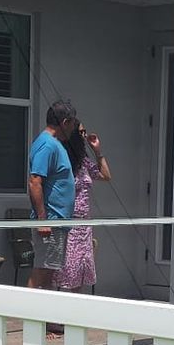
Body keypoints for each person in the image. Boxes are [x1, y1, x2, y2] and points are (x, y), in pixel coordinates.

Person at [55, 118, 111, 293]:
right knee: (64, 273)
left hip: (84, 226)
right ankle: (55, 319)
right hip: (68, 223)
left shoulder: (83, 161)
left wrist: (97, 150)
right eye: (81, 132)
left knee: (80, 272)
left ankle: (73, 316)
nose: (84, 135)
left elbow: (105, 176)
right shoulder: (63, 159)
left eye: (84, 132)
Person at [26, 102, 77, 289]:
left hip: (57, 221)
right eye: (72, 124)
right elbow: (35, 181)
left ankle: (48, 319)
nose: (73, 129)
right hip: (50, 221)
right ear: (65, 122)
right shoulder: (47, 145)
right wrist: (43, 220)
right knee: (41, 270)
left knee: (49, 273)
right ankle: (25, 316)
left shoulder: (54, 145)